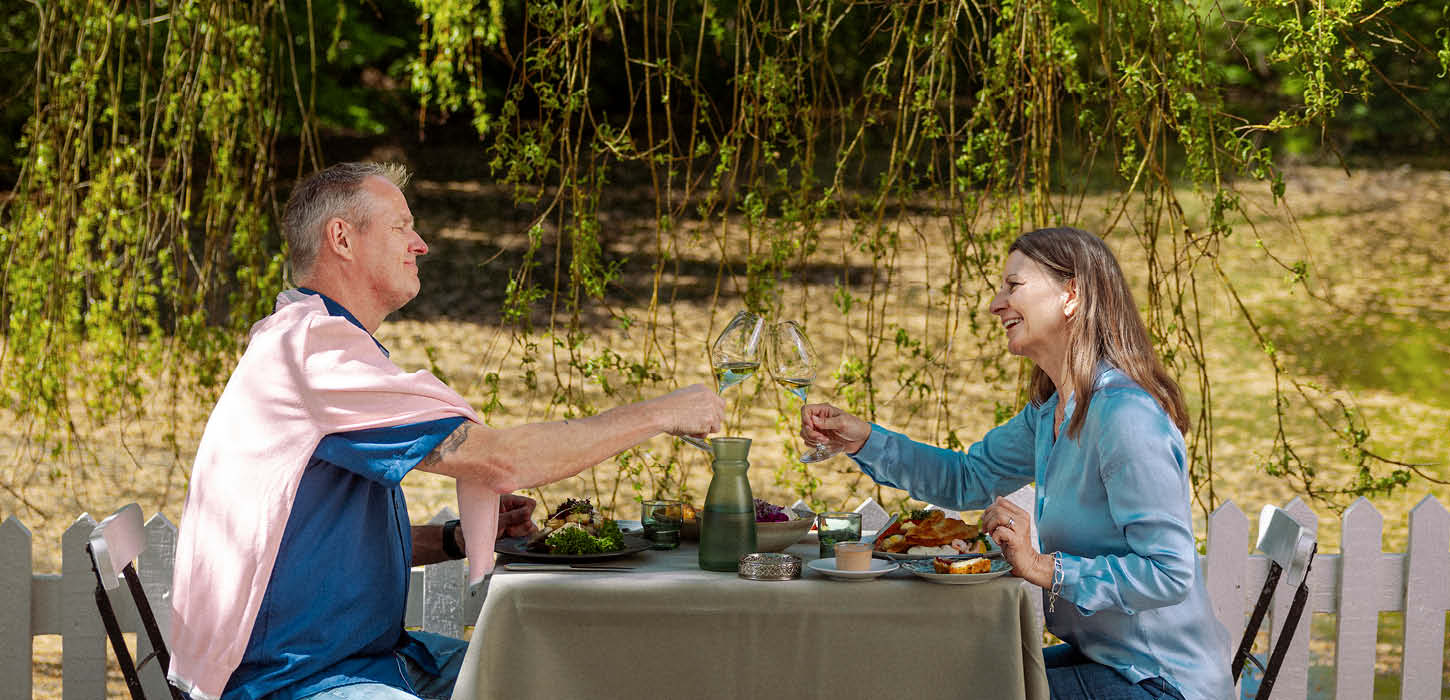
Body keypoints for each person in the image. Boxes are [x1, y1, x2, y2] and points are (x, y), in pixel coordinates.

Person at [166, 162, 725, 700]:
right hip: (293, 683)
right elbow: (502, 461)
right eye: (401, 226)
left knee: (569, 677)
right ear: (342, 237)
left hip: (373, 660)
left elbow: (310, 534)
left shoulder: (310, 341)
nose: (421, 244)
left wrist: (453, 540)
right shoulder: (311, 355)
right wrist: (661, 413)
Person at [800, 227, 1232, 700]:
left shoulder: (1126, 417)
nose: (995, 303)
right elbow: (967, 478)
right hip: (1109, 663)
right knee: (940, 676)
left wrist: (1043, 567)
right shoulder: (1052, 414)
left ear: (1072, 295)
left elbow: (1168, 572)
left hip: (1161, 683)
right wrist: (863, 439)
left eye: (1014, 286)